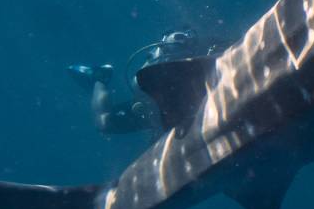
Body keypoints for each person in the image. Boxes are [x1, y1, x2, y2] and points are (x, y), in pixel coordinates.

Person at [65, 29, 216, 135]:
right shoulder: (158, 67)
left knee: (106, 123)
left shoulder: (207, 53)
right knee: (105, 122)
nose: (182, 42)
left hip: (175, 105)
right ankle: (98, 79)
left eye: (186, 40)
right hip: (153, 107)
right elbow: (139, 85)